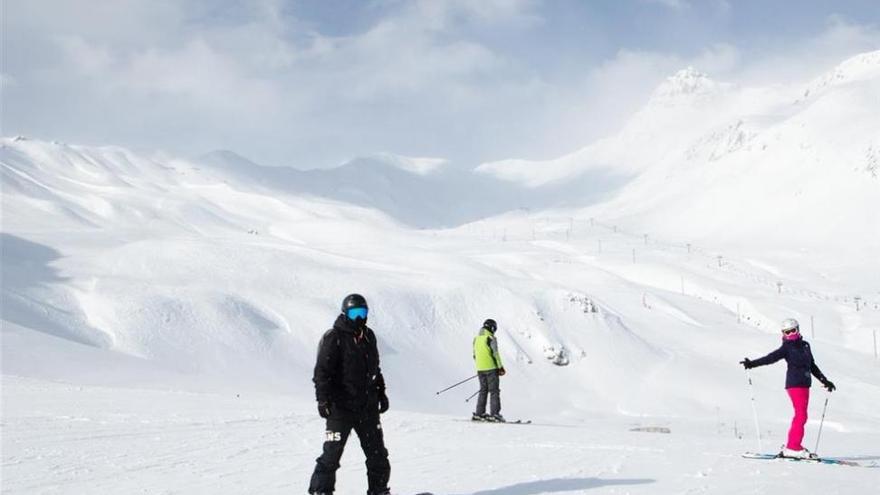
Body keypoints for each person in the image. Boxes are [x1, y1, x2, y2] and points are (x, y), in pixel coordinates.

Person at [308, 294, 391, 495]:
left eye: (363, 313)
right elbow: (322, 372)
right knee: (331, 455)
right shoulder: (334, 337)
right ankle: (321, 491)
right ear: (345, 313)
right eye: (355, 313)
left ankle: (378, 490)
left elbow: (375, 369)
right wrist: (323, 399)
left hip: (367, 408)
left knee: (378, 455)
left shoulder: (369, 336)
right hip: (340, 408)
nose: (359, 318)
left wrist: (381, 393)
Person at [740, 318, 836, 459]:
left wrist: (825, 380)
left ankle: (792, 446)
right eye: (787, 332)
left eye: (793, 331)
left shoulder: (805, 346)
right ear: (783, 334)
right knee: (801, 415)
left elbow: (812, 365)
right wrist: (752, 364)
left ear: (798, 330)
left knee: (802, 415)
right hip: (794, 384)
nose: (790, 334)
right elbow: (770, 358)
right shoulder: (786, 348)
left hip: (805, 384)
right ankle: (793, 447)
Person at [472, 318, 506, 422]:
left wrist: (481, 365)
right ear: (492, 328)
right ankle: (495, 414)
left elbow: (474, 355)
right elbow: (495, 354)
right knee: (494, 391)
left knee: (483, 390)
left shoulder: (476, 339)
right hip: (491, 368)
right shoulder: (491, 338)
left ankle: (479, 413)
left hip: (480, 369)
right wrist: (500, 367)